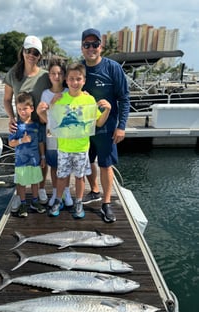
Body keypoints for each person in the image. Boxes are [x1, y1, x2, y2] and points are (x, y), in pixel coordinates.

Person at [48, 62, 111, 219]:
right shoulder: (60, 99)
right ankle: (58, 200)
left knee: (80, 177)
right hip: (63, 147)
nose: (75, 82)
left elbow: (99, 123)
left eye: (78, 79)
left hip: (82, 148)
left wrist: (108, 110)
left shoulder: (89, 101)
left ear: (84, 80)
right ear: (66, 80)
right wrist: (51, 104)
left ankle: (79, 202)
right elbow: (53, 121)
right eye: (71, 79)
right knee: (62, 177)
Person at [81, 28, 130, 223]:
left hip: (107, 127)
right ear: (82, 47)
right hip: (83, 128)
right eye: (87, 44)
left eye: (95, 44)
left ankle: (107, 202)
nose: (91, 48)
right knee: (86, 161)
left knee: (106, 164)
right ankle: (94, 190)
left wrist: (122, 126)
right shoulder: (78, 69)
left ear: (101, 47)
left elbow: (124, 98)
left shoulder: (113, 68)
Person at [4, 35, 51, 207]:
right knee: (21, 160)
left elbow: (58, 91)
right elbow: (7, 99)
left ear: (39, 56)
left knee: (41, 157)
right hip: (22, 126)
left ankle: (40, 188)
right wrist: (10, 117)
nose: (31, 54)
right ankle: (20, 194)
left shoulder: (45, 76)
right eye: (28, 51)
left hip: (42, 124)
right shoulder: (12, 74)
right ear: (22, 52)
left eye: (35, 52)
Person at [36, 58, 73, 208]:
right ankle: (56, 192)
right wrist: (52, 104)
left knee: (66, 165)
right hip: (51, 135)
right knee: (54, 165)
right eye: (53, 73)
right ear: (49, 75)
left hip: (66, 136)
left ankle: (66, 191)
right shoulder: (45, 94)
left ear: (64, 76)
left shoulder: (68, 91)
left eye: (59, 73)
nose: (56, 76)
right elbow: (45, 119)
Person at [8, 92, 46, 217]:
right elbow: (11, 143)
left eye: (25, 108)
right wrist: (21, 141)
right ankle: (23, 203)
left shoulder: (37, 125)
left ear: (32, 109)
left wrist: (43, 157)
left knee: (35, 182)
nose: (22, 112)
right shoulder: (15, 126)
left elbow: (40, 142)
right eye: (19, 109)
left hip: (35, 160)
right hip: (21, 161)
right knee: (22, 183)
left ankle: (35, 202)